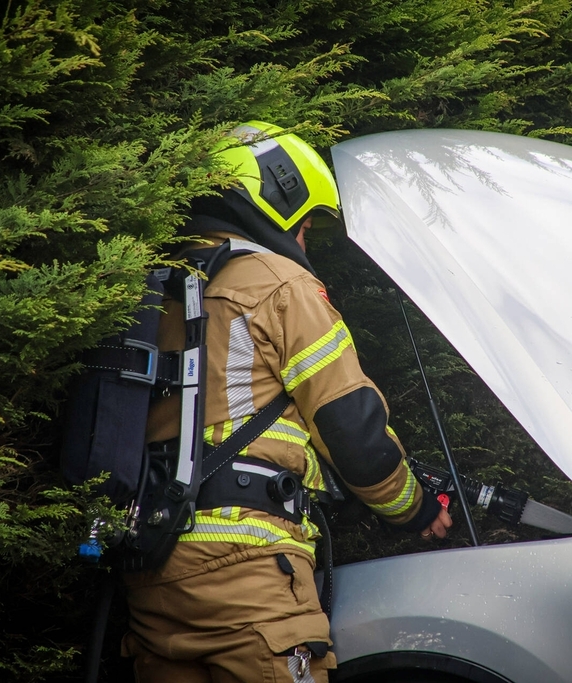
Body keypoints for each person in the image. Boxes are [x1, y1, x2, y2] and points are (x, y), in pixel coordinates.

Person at [121, 121, 453, 683]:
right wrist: (415, 509)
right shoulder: (279, 284)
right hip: (250, 570)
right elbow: (352, 430)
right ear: (273, 197)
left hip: (152, 567)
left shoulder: (153, 289)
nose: (302, 243)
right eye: (303, 226)